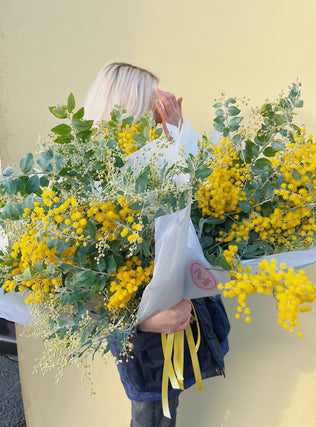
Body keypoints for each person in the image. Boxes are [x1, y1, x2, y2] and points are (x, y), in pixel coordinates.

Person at [84, 61, 230, 427]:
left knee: (164, 412)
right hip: (146, 343)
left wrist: (179, 133)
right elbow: (83, 286)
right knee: (152, 417)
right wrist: (143, 322)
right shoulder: (90, 182)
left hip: (181, 323)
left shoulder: (159, 161)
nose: (159, 111)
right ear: (129, 109)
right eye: (152, 105)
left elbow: (204, 210)